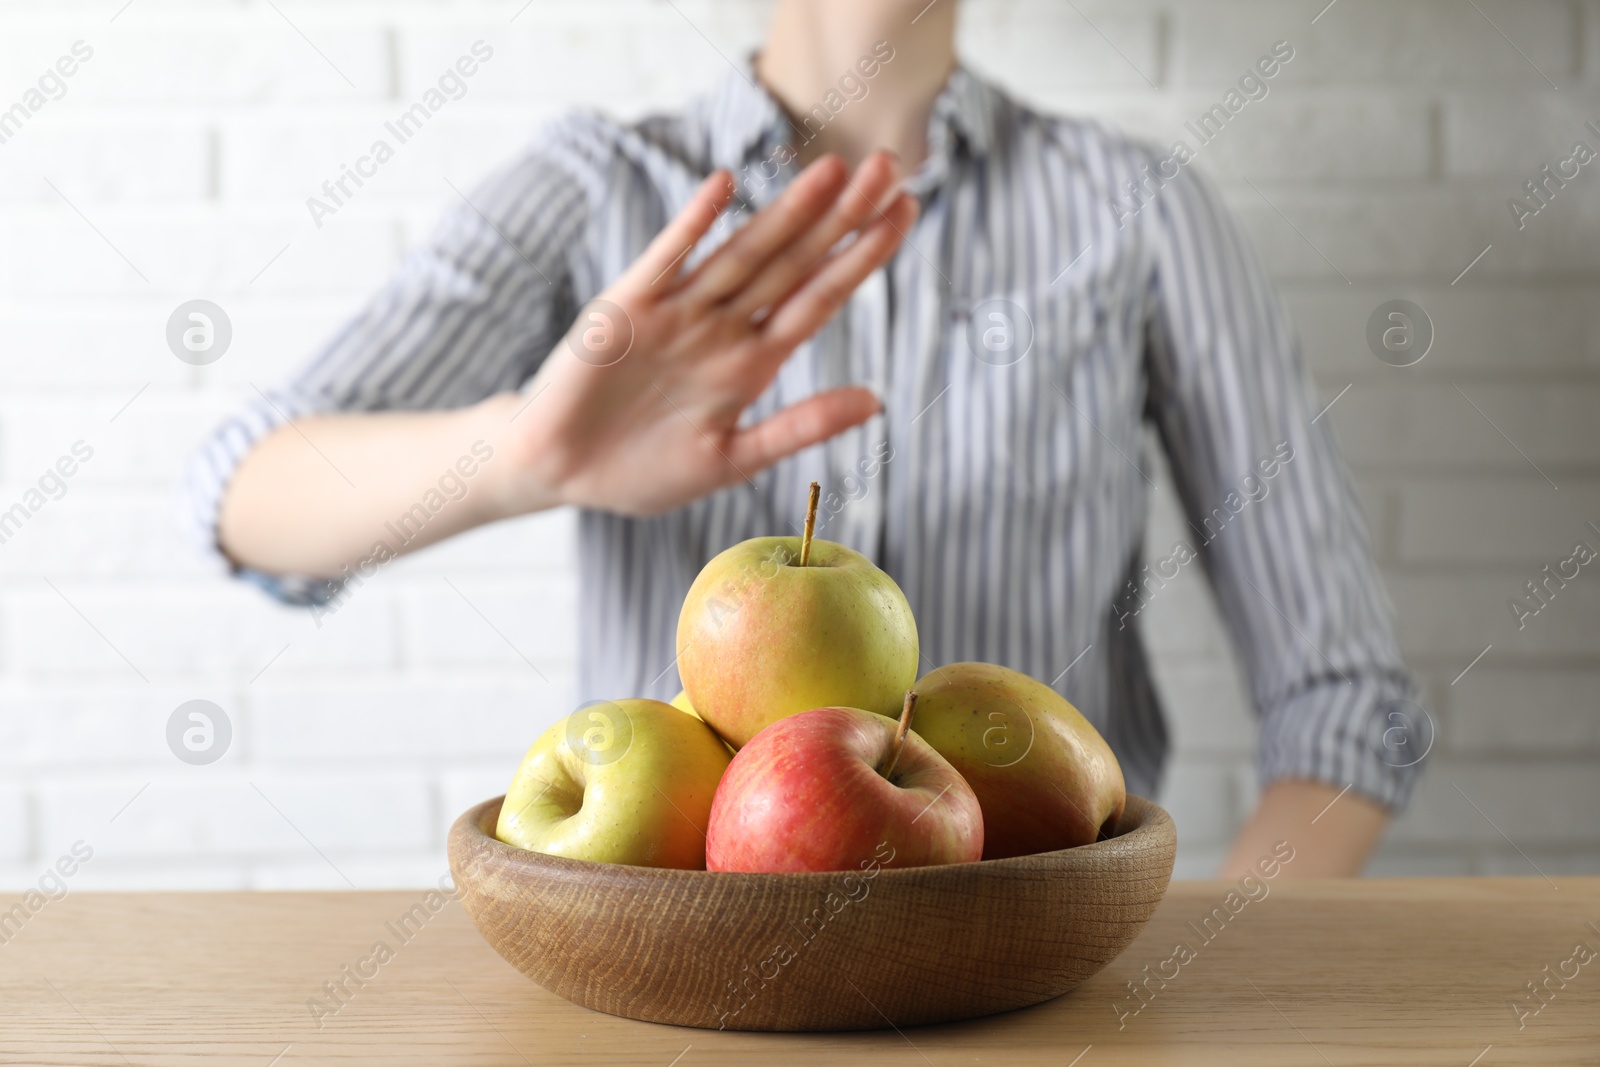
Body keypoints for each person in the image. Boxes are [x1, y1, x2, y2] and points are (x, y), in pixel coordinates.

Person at [184, 0, 1419, 877]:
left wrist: (1191, 977)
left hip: (1038, 986)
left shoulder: (1140, 214)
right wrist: (518, 456)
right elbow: (244, 491)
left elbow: (1345, 700)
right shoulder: (599, 187)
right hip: (671, 989)